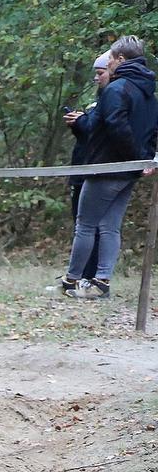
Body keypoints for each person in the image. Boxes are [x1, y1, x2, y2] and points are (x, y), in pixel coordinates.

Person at [60, 35, 158, 299]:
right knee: (110, 226)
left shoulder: (116, 89)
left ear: (121, 60)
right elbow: (151, 131)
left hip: (107, 167)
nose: (110, 62)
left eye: (112, 58)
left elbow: (116, 127)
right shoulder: (149, 93)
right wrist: (145, 160)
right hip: (129, 170)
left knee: (85, 225)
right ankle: (101, 281)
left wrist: (135, 157)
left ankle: (72, 279)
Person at [60, 50, 113, 290]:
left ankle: (88, 277)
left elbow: (99, 134)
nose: (96, 78)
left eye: (100, 73)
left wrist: (82, 122)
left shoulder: (111, 101)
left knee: (93, 227)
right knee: (85, 225)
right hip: (84, 168)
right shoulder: (98, 103)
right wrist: (78, 123)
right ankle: (83, 275)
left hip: (96, 171)